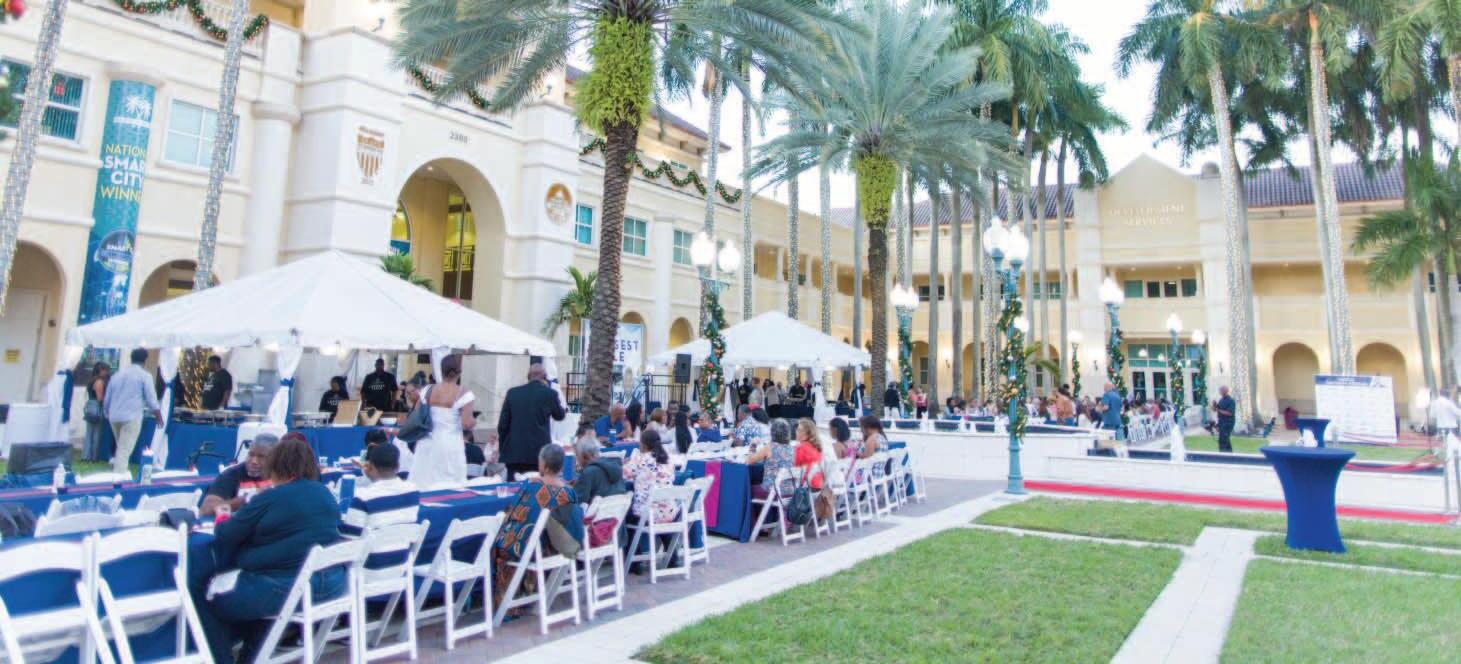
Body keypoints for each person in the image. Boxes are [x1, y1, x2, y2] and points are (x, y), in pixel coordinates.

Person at [194, 436, 342, 664]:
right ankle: (250, 659)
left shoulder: (271, 497)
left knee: (205, 594)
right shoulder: (324, 493)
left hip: (286, 588)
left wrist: (223, 514)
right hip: (330, 584)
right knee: (261, 596)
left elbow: (225, 534)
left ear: (275, 464)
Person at [492, 445, 583, 610]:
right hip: (560, 550)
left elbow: (513, 516)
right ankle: (530, 589)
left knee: (501, 544)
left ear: (544, 465)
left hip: (536, 551)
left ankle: (510, 604)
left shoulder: (531, 488)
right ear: (561, 466)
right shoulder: (569, 492)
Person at [410, 355, 477, 488]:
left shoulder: (427, 390)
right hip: (450, 443)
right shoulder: (464, 393)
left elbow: (415, 415)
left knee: (423, 481)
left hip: (427, 441)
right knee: (450, 485)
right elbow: (466, 423)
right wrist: (474, 421)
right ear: (459, 371)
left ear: (441, 370)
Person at [495, 362, 567, 480]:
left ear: (528, 376)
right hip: (539, 454)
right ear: (544, 377)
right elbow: (559, 415)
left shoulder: (512, 393)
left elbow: (502, 426)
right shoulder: (550, 394)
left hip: (514, 454)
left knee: (513, 487)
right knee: (536, 487)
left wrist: (504, 448)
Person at [340, 442, 418, 536]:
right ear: (398, 466)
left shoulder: (362, 498)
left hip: (372, 545)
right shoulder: (413, 490)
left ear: (369, 467)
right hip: (404, 544)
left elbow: (350, 538)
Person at [103, 348, 161, 474]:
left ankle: (120, 472)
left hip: (114, 416)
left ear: (131, 358)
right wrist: (158, 415)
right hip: (131, 417)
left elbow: (107, 398)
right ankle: (118, 477)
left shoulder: (117, 375)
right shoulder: (145, 376)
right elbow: (151, 399)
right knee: (124, 449)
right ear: (145, 360)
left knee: (121, 448)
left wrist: (107, 412)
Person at [201, 433, 278, 517]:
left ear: (274, 458)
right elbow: (207, 509)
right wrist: (248, 499)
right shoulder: (231, 475)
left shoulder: (282, 475)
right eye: (251, 454)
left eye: (261, 457)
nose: (254, 461)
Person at [624, 430, 677, 524]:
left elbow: (623, 474)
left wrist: (624, 463)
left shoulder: (640, 459)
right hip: (670, 513)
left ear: (644, 445)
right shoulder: (668, 460)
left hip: (648, 514)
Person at [746, 419, 796, 498]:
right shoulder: (792, 449)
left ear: (772, 432)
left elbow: (749, 461)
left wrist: (753, 445)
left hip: (772, 491)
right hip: (790, 491)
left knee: (746, 488)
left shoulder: (769, 447)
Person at [572, 437, 626, 505]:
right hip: (619, 509)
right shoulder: (614, 465)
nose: (576, 459)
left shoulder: (588, 472)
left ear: (584, 456)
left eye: (577, 455)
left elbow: (578, 500)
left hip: (599, 509)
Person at [83, 362, 111, 462]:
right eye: (106, 370)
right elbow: (99, 398)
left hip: (90, 406)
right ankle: (94, 456)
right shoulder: (99, 382)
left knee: (89, 432)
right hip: (96, 407)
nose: (107, 373)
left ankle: (86, 455)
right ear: (101, 370)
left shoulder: (92, 380)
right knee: (96, 433)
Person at [793, 419, 825, 491]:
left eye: (799, 430)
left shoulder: (800, 447)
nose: (796, 432)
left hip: (806, 486)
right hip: (819, 484)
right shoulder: (817, 446)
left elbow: (795, 469)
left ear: (807, 434)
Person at [1214, 386, 1237, 453]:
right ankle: (1229, 454)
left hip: (1228, 423)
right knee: (1225, 440)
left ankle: (1223, 455)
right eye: (1219, 391)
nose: (1219, 392)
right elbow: (1215, 409)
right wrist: (1214, 405)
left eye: (1221, 390)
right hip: (1221, 422)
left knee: (1223, 440)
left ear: (1225, 391)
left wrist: (1219, 410)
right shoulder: (1221, 400)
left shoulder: (1231, 401)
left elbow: (1230, 413)